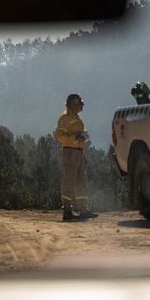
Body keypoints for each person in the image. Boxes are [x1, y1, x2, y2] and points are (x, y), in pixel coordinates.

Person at [54, 93, 99, 221]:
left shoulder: (76, 118)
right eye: (79, 104)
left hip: (78, 152)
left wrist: (82, 148)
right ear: (73, 104)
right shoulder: (65, 118)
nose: (82, 106)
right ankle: (67, 210)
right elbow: (59, 136)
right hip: (70, 152)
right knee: (69, 180)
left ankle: (83, 209)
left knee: (81, 181)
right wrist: (75, 138)